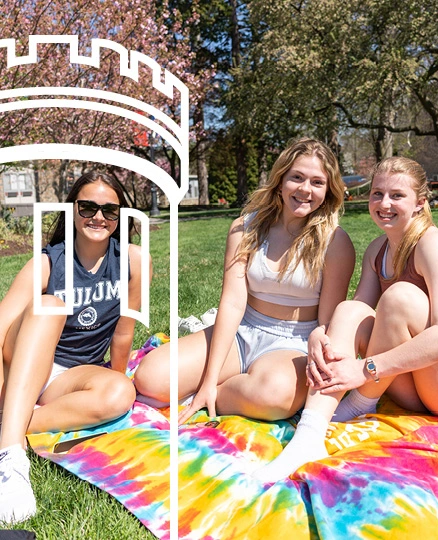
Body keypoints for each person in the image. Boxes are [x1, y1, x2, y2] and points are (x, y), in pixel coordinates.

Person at [253, 156, 438, 483]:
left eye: (397, 196)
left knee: (400, 298)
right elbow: (358, 314)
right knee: (347, 310)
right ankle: (310, 435)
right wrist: (321, 332)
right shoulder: (377, 250)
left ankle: (360, 401)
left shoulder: (434, 244)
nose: (384, 204)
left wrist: (363, 370)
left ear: (419, 204)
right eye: (377, 194)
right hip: (417, 385)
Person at [134, 137, 355, 425]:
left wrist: (212, 388)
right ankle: (211, 387)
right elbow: (233, 302)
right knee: (150, 378)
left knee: (274, 397)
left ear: (328, 190)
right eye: (297, 178)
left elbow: (328, 321)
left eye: (317, 182)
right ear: (280, 180)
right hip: (243, 331)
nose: (305, 189)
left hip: (295, 343)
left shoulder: (336, 242)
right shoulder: (245, 228)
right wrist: (208, 377)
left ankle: (218, 396)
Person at [0, 171, 149, 523]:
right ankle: (11, 456)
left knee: (119, 393)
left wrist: (118, 377)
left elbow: (123, 333)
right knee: (50, 305)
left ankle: (12, 421)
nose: (98, 217)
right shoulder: (47, 262)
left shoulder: (133, 260)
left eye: (109, 210)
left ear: (121, 216)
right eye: (88, 207)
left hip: (69, 374)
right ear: (72, 210)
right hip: (21, 359)